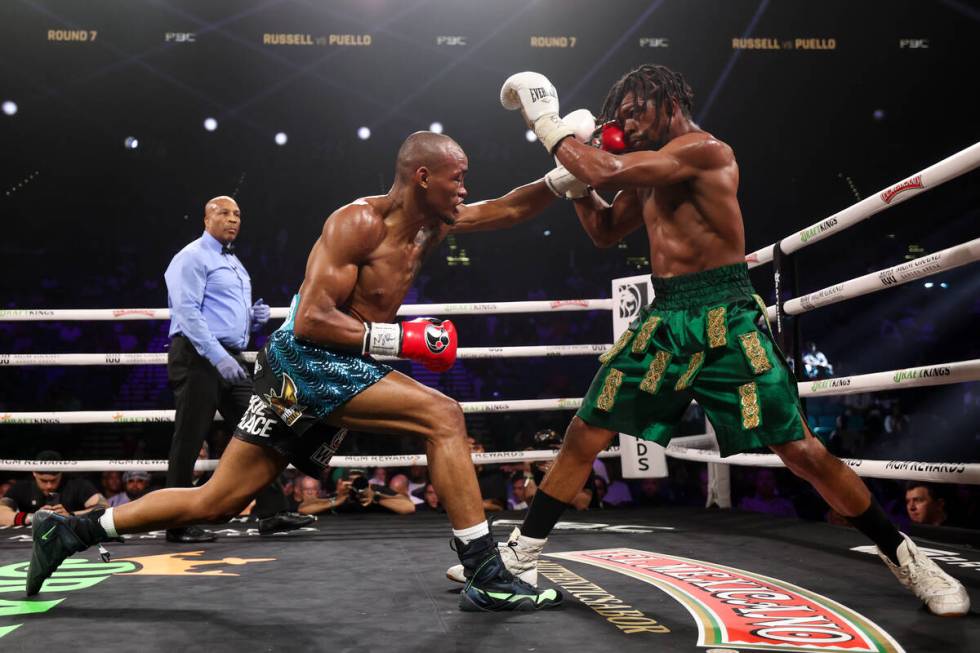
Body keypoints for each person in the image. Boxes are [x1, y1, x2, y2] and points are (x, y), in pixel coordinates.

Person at [480, 65, 969, 616]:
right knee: (586, 431)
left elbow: (603, 165)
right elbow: (604, 231)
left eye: (635, 111)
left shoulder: (703, 150)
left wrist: (548, 122)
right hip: (666, 318)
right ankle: (523, 554)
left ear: (666, 101)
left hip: (725, 314)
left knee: (800, 450)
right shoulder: (647, 173)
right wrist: (576, 188)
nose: (627, 124)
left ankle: (908, 558)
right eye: (619, 118)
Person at [27, 131, 573, 612]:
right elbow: (310, 318)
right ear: (422, 176)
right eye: (457, 179)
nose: (463, 190)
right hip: (307, 361)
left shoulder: (435, 224)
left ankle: (71, 530)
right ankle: (485, 571)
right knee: (444, 416)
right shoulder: (357, 223)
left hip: (333, 364)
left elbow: (507, 208)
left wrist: (563, 172)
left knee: (215, 500)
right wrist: (398, 338)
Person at [162, 195, 310, 542]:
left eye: (238, 214)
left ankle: (272, 512)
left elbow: (223, 313)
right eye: (224, 213)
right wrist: (218, 357)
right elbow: (187, 313)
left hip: (230, 356)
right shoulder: (190, 257)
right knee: (189, 438)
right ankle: (176, 522)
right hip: (199, 356)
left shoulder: (235, 264)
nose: (233, 219)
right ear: (206, 218)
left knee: (260, 428)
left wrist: (252, 319)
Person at [0, 451, 107, 526]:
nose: (49, 486)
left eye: (53, 480)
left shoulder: (78, 484)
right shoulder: (22, 487)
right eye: (44, 481)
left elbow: (104, 508)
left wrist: (71, 516)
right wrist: (32, 518)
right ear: (34, 473)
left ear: (61, 473)